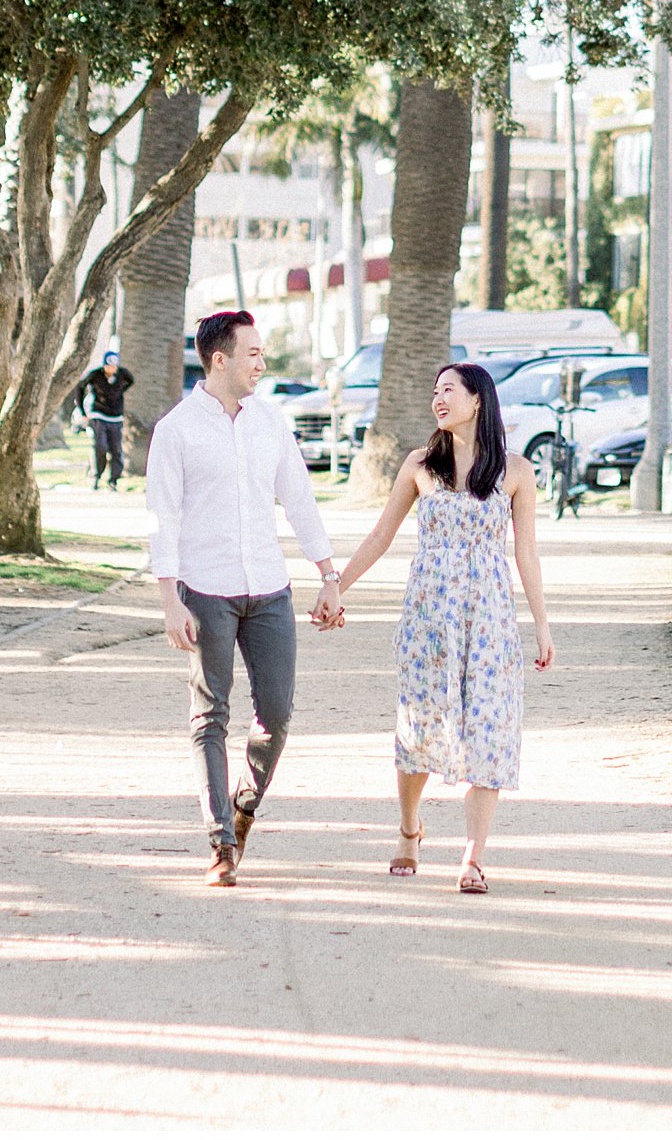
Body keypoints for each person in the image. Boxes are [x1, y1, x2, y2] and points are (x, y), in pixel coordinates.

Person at [333, 361, 554, 894]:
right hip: (430, 619)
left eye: (449, 390)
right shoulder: (419, 465)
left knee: (489, 729)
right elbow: (381, 535)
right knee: (421, 727)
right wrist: (335, 588)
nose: (439, 399)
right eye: (435, 391)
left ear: (478, 399)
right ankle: (410, 828)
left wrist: (542, 627)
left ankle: (474, 858)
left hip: (490, 620)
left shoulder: (517, 472)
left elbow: (525, 552)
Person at [146, 309, 342, 887]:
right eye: (252, 353)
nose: (262, 363)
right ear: (219, 359)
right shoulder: (175, 431)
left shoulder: (270, 423)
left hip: (270, 591)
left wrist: (328, 573)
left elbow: (299, 500)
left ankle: (244, 804)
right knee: (210, 715)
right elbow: (163, 520)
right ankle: (220, 844)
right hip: (205, 591)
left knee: (276, 715)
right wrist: (169, 600)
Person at [76, 348, 134, 489]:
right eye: (108, 366)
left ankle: (113, 480)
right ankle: (96, 476)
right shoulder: (95, 375)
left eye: (114, 366)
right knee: (100, 447)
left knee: (116, 450)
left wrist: (119, 393)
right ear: (104, 365)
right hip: (99, 416)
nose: (111, 369)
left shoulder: (123, 374)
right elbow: (80, 388)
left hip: (116, 418)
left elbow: (130, 382)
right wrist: (83, 411)